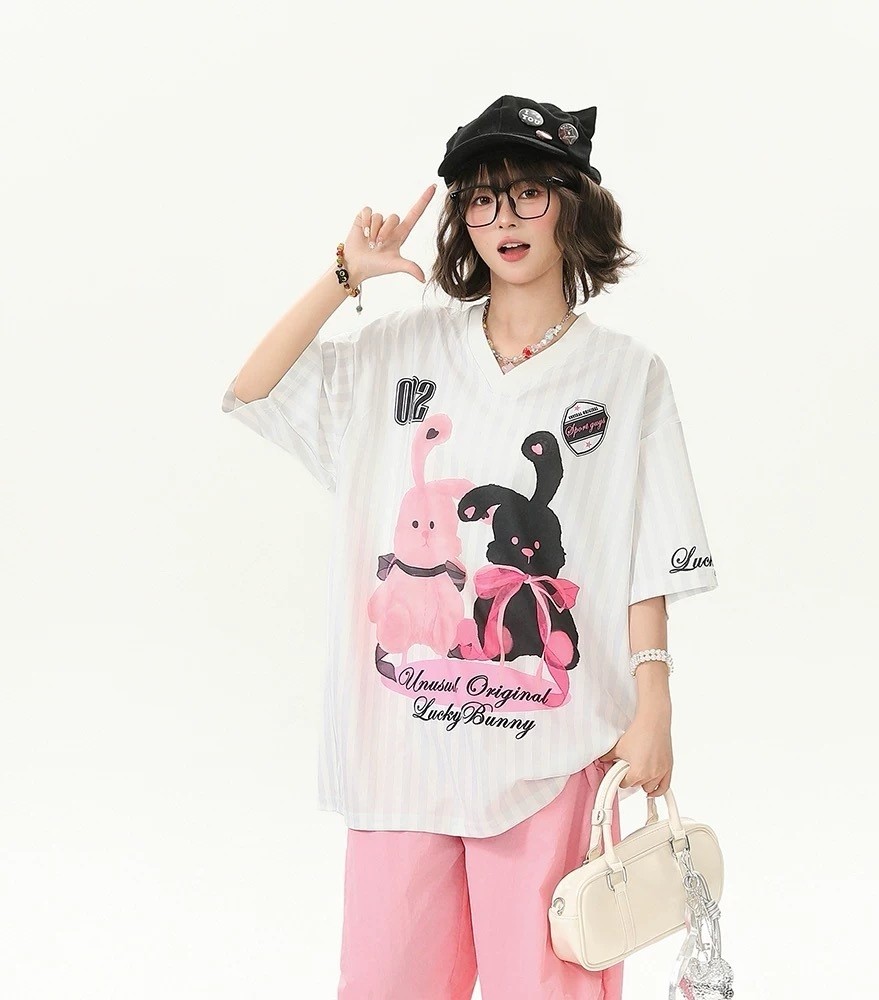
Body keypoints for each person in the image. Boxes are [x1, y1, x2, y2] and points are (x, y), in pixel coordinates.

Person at [221, 94, 719, 1000]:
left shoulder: (627, 377)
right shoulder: (401, 351)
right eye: (482, 199)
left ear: (570, 201)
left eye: (527, 193)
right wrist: (344, 274)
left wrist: (656, 702)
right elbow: (255, 391)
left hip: (551, 755)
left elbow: (647, 551)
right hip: (402, 761)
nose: (504, 220)